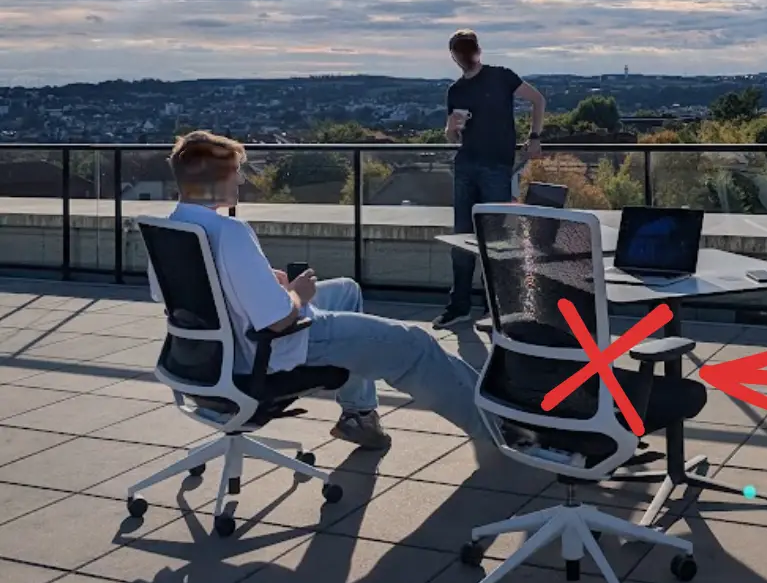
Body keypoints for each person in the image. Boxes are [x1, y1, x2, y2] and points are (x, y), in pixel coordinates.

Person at [155, 130, 493, 452]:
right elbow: (279, 321)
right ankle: (497, 428)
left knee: (347, 291)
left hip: (216, 353)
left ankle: (359, 416)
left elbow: (181, 295)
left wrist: (257, 280)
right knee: (415, 345)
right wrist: (297, 293)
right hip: (273, 346)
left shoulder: (170, 229)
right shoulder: (231, 232)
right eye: (235, 172)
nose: (241, 180)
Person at [434, 29, 546, 329]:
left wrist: (535, 137)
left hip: (496, 166)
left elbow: (537, 100)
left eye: (466, 50)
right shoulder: (455, 91)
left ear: (477, 50)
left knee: (494, 238)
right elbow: (451, 138)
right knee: (462, 238)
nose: (463, 56)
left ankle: (493, 306)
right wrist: (452, 128)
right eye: (459, 51)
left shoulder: (501, 77)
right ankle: (460, 305)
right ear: (454, 56)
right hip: (466, 166)